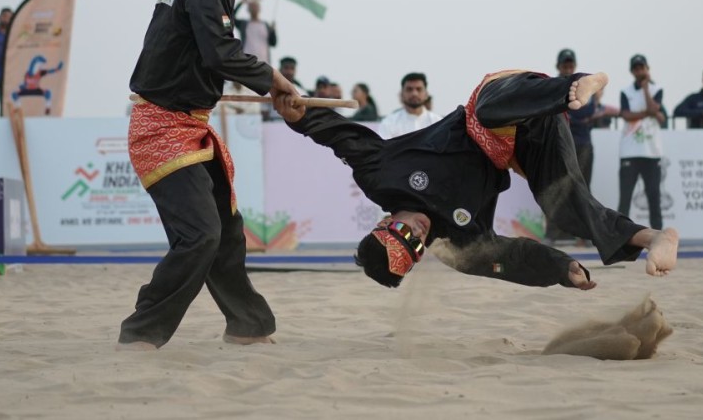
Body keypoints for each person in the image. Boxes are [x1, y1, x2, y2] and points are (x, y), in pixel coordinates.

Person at [273, 70, 679, 290]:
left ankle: (578, 82)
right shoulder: (459, 244)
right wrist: (562, 270)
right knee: (565, 207)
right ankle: (654, 238)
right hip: (527, 143)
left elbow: (338, 136)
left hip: (500, 100)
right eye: (417, 247)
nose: (418, 233)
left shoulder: (379, 175)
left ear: (384, 224)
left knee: (487, 113)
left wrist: (297, 114)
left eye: (403, 232)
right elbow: (511, 257)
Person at [117, 0, 298, 351]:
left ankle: (247, 325)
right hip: (162, 128)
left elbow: (198, 57)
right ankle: (141, 333)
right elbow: (220, 53)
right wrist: (276, 81)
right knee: (200, 236)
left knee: (225, 230)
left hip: (190, 125)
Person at [545, 49, 595, 242]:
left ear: (574, 65)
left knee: (583, 190)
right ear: (558, 67)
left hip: (582, 146)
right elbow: (551, 111)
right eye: (564, 65)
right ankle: (552, 235)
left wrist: (566, 111)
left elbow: (586, 112)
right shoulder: (552, 85)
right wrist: (571, 112)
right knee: (554, 187)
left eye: (570, 65)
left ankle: (587, 237)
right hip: (558, 145)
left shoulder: (583, 84)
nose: (567, 68)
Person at [618, 54, 666, 230]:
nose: (639, 71)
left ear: (647, 68)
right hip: (629, 151)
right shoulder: (626, 91)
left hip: (651, 152)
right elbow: (625, 115)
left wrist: (646, 88)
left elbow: (654, 108)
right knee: (625, 198)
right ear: (632, 71)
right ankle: (620, 235)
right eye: (636, 68)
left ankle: (659, 235)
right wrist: (649, 113)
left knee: (654, 195)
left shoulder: (657, 89)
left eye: (642, 68)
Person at [378, 72, 443, 139]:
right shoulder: (389, 123)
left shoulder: (438, 122)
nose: (414, 94)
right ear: (402, 94)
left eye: (419, 89)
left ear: (426, 94)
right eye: (409, 89)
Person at [234, 0, 277, 64]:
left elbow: (273, 43)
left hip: (264, 62)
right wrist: (241, 3)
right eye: (252, 6)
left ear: (259, 8)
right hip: (247, 61)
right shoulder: (243, 24)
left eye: (255, 6)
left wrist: (273, 31)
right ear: (248, 9)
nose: (254, 8)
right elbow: (230, 18)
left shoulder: (266, 25)